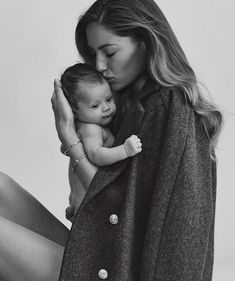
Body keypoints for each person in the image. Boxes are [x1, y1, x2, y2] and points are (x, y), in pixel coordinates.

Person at [0, 0, 223, 280]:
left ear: (146, 42)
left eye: (110, 52)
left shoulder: (170, 107)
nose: (100, 66)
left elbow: (182, 229)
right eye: (94, 54)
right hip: (105, 256)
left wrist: (70, 138)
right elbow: (115, 197)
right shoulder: (133, 102)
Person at [60, 63, 142, 218]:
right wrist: (124, 150)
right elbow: (96, 155)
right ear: (74, 112)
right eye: (95, 105)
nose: (106, 107)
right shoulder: (91, 129)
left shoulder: (88, 127)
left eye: (109, 99)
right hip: (91, 205)